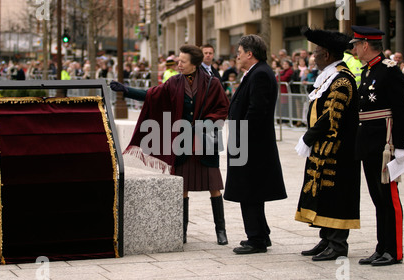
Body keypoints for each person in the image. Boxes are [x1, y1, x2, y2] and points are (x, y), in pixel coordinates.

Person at [109, 45, 230, 246]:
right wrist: (127, 90)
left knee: (214, 187)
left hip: (205, 142)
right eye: (177, 61)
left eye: (182, 61)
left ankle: (221, 231)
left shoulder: (213, 83)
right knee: (181, 187)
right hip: (182, 142)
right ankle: (180, 232)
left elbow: (223, 107)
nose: (178, 65)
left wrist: (207, 122)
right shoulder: (173, 82)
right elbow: (152, 94)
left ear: (194, 63)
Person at [294, 27, 361, 261]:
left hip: (338, 150)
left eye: (317, 52)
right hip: (324, 147)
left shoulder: (342, 80)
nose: (313, 56)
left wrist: (308, 137)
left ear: (328, 55)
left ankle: (338, 245)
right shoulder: (330, 76)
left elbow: (332, 115)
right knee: (323, 194)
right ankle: (326, 238)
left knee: (337, 194)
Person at [351, 26, 404, 266]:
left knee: (389, 198)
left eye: (355, 44)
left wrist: (400, 146)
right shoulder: (367, 72)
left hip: (386, 144)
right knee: (377, 198)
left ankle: (394, 250)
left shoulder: (390, 71)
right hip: (369, 142)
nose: (353, 49)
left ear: (366, 44)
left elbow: (401, 111)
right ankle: (381, 247)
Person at [225, 34, 287, 254]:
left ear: (250, 53)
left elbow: (257, 110)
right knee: (251, 192)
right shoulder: (256, 72)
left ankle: (256, 239)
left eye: (240, 52)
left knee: (249, 191)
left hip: (251, 144)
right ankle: (261, 233)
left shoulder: (260, 74)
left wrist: (243, 138)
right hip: (249, 142)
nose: (237, 56)